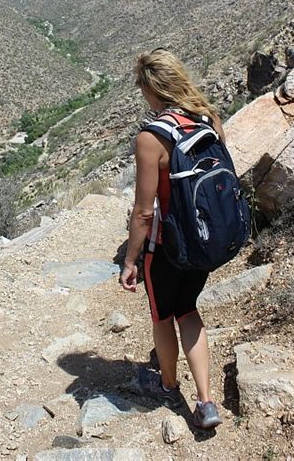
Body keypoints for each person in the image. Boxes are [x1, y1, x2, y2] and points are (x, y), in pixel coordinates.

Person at [120, 48, 225, 430]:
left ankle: (167, 386)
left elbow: (144, 212)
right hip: (204, 240)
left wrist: (131, 260)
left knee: (163, 316)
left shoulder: (152, 138)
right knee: (189, 310)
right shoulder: (207, 117)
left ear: (152, 89)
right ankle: (206, 401)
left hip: (167, 247)